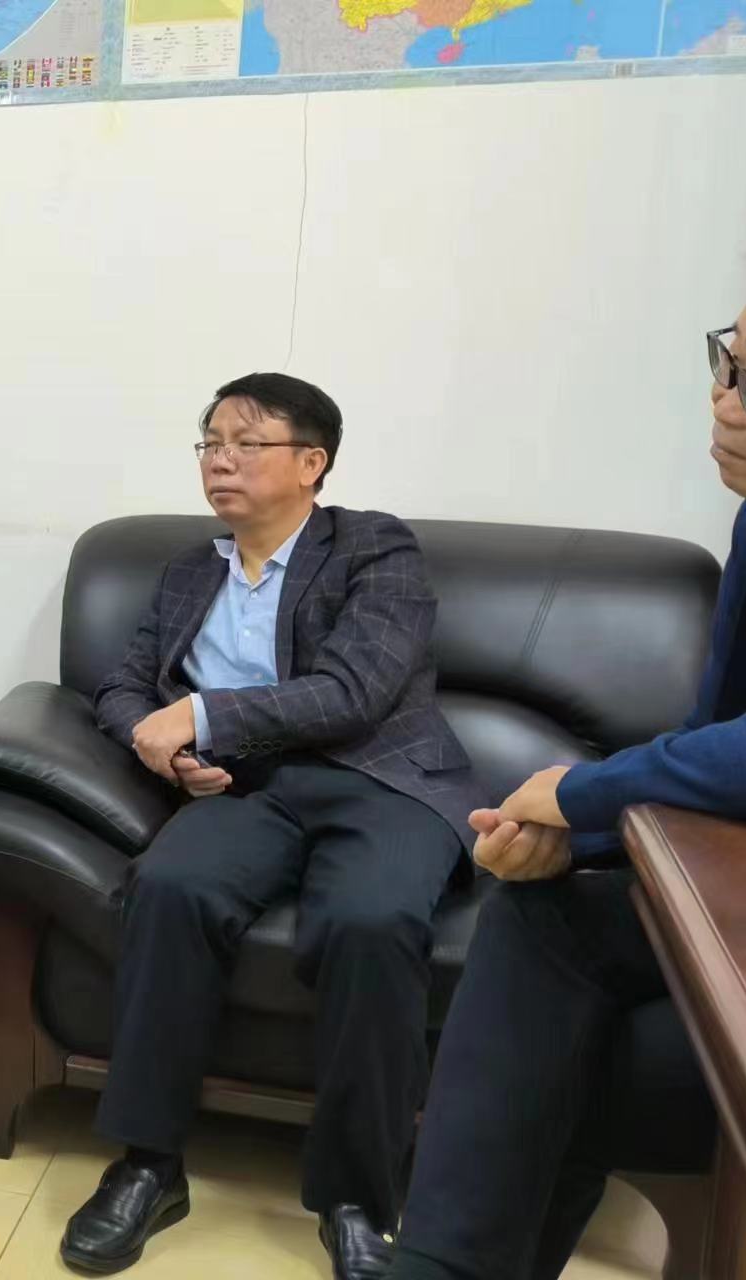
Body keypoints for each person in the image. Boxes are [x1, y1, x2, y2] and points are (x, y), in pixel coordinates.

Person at [387, 205, 746, 1280]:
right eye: (728, 360)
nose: (724, 402)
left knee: (588, 1063)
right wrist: (569, 837)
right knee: (542, 917)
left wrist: (580, 794)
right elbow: (719, 739)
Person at [69, 372, 486, 1278]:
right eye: (210, 443)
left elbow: (354, 692)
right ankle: (147, 1165)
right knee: (170, 887)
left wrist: (202, 715)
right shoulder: (190, 570)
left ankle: (357, 1200)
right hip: (248, 789)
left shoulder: (375, 548)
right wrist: (159, 747)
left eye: (246, 443)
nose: (220, 460)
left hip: (382, 780)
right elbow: (123, 685)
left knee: (371, 922)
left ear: (311, 463)